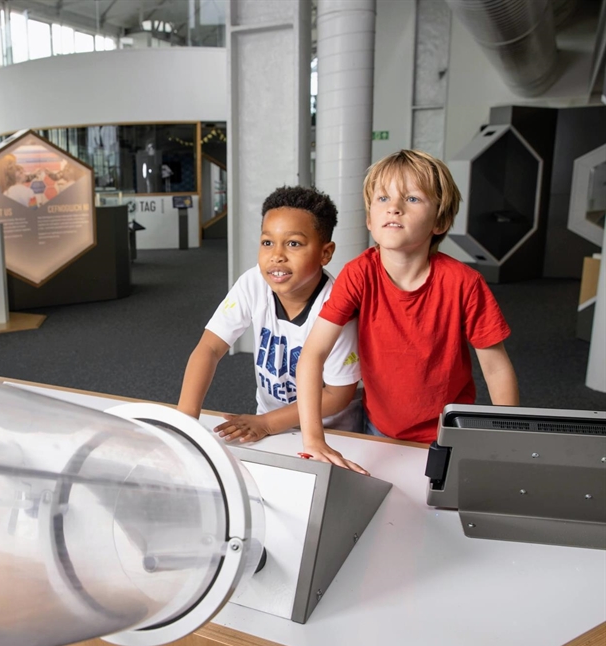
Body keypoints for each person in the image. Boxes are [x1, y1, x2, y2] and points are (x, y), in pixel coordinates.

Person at [296, 149, 519, 473]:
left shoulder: (465, 283)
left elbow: (497, 369)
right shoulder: (359, 274)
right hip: (380, 430)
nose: (395, 207)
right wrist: (313, 439)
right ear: (370, 219)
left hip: (448, 434)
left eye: (412, 199)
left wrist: (510, 441)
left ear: (440, 221)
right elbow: (312, 354)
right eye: (383, 198)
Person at [178, 186, 362, 443]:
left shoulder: (338, 305)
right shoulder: (254, 282)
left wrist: (267, 423)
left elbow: (337, 395)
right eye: (267, 242)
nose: (276, 256)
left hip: (331, 433)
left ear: (325, 253)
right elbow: (209, 348)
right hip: (268, 422)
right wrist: (185, 422)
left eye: (293, 243)